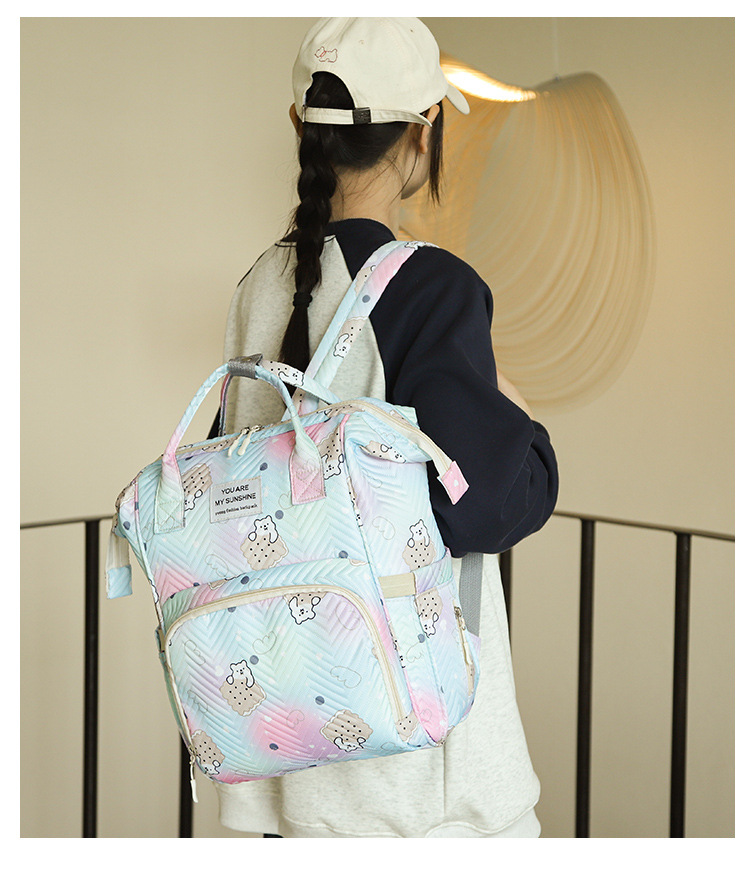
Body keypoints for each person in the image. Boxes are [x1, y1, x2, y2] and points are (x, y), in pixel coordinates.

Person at [216, 17, 558, 838]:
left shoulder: (259, 285)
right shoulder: (431, 288)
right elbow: (487, 508)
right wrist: (522, 419)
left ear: (300, 127)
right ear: (424, 132)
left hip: (289, 750)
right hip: (419, 784)